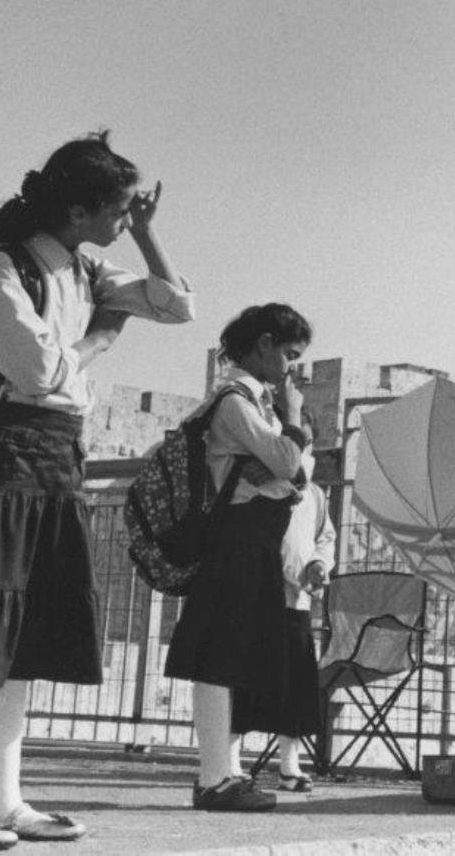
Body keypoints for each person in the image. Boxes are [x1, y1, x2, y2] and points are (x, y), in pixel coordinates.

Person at [0, 132, 195, 849]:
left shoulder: (86, 268)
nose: (127, 219)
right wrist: (98, 341)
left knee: (23, 630)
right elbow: (35, 370)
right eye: (123, 209)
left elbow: (175, 305)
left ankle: (4, 798)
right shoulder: (7, 269)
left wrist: (151, 238)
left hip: (56, 460)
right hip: (4, 460)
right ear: (79, 207)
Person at [163, 303, 315, 812]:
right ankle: (213, 778)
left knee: (235, 655)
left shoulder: (256, 403)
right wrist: (290, 433)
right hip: (238, 538)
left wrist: (281, 465)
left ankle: (224, 773)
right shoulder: (234, 400)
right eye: (289, 354)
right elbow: (291, 462)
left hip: (257, 540)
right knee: (220, 655)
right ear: (265, 343)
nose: (292, 366)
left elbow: (298, 475)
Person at [230, 458, 335, 792]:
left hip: (297, 601)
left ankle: (290, 767)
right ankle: (229, 765)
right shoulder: (256, 484)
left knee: (296, 685)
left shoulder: (316, 495)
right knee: (242, 682)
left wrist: (319, 563)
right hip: (255, 595)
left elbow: (325, 537)